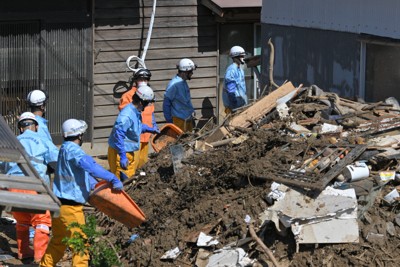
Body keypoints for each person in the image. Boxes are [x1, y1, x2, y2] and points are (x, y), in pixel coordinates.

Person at [40, 119, 124, 267]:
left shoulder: (64, 149)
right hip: (71, 208)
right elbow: (91, 166)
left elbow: (76, 173)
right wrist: (112, 177)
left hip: (58, 206)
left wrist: (92, 182)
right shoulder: (74, 151)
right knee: (80, 247)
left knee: (58, 242)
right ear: (79, 135)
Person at [6, 112, 59, 263]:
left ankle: (24, 252)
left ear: (21, 128)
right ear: (36, 126)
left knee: (22, 219)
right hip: (33, 186)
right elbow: (55, 163)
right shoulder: (43, 141)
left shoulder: (12, 143)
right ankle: (40, 257)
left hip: (13, 187)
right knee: (42, 220)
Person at [108, 85, 159, 181]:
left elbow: (134, 128)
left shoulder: (135, 111)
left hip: (127, 152)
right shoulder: (126, 116)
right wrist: (123, 156)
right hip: (120, 152)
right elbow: (118, 136)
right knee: (122, 183)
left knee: (129, 179)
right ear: (141, 102)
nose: (147, 106)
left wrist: (149, 129)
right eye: (147, 103)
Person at [119, 68, 158, 169]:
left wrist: (154, 124)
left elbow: (151, 112)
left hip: (146, 135)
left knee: (143, 163)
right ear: (135, 80)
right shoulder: (128, 96)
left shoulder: (149, 93)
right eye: (141, 79)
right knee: (133, 163)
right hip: (134, 137)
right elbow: (125, 117)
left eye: (146, 79)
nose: (143, 82)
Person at [163, 58, 197, 132]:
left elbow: (185, 100)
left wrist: (191, 111)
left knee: (189, 141)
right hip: (178, 120)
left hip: (187, 118)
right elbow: (166, 103)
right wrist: (169, 122)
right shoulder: (174, 85)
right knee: (180, 141)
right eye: (190, 72)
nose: (192, 74)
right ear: (184, 72)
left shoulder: (183, 82)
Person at [222, 46, 248, 114]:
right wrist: (234, 105)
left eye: (243, 56)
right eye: (241, 56)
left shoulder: (240, 70)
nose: (243, 58)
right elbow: (231, 89)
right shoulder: (232, 70)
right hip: (234, 105)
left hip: (241, 103)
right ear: (235, 57)